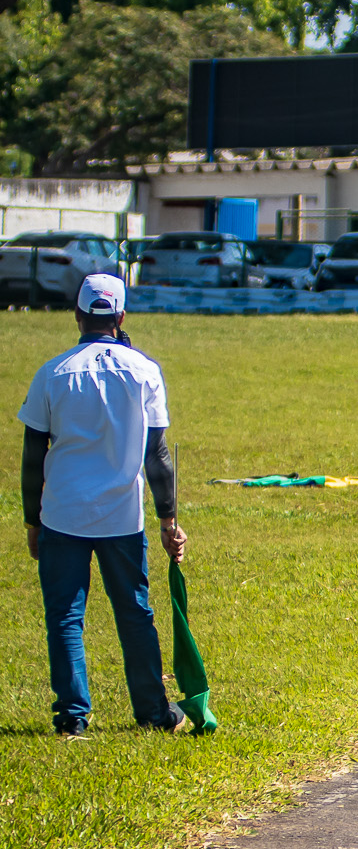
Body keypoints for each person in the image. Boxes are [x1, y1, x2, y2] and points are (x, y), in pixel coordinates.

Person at [20, 273, 185, 736]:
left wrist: (32, 521)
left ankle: (72, 719)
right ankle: (154, 713)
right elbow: (157, 455)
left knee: (65, 618)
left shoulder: (52, 373)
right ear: (122, 317)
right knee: (135, 615)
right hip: (122, 518)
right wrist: (168, 520)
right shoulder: (145, 370)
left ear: (76, 315)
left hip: (62, 515)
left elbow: (34, 456)